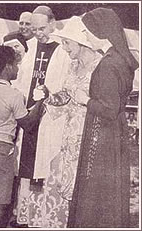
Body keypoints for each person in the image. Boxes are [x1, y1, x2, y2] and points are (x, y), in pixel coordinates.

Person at [16, 16, 102, 228]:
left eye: (67, 43)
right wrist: (48, 95)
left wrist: (86, 102)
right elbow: (65, 94)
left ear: (81, 43)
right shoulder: (73, 66)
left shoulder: (99, 66)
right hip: (68, 131)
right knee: (65, 179)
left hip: (88, 130)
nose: (64, 47)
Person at [67, 8, 138, 228]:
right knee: (110, 193)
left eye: (87, 32)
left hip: (102, 134)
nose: (86, 37)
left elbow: (108, 109)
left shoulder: (108, 64)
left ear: (100, 32)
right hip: (114, 132)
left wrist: (83, 100)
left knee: (95, 193)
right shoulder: (120, 58)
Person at [0, 45, 48, 228]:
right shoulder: (14, 95)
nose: (17, 68)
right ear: (7, 66)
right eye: (15, 64)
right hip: (0, 149)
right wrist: (40, 101)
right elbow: (28, 124)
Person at [15, 5, 69, 227]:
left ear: (53, 23)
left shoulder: (63, 50)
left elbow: (65, 85)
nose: (38, 33)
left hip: (50, 118)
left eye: (42, 28)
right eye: (35, 29)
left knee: (45, 164)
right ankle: (26, 217)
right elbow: (22, 81)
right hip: (29, 117)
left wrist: (47, 94)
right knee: (26, 164)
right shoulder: (30, 48)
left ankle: (45, 217)